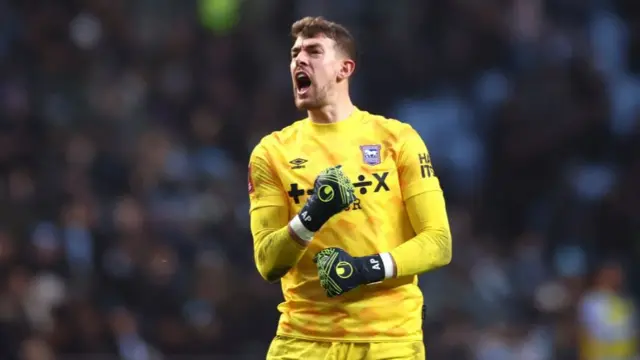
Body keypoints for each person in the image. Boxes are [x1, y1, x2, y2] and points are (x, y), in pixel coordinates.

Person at [248, 16, 452, 360]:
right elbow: (268, 263)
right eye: (295, 53)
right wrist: (312, 215)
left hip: (389, 341)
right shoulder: (271, 152)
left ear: (345, 68)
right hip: (303, 341)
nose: (299, 59)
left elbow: (438, 242)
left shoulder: (397, 139)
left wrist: (363, 270)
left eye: (313, 51)